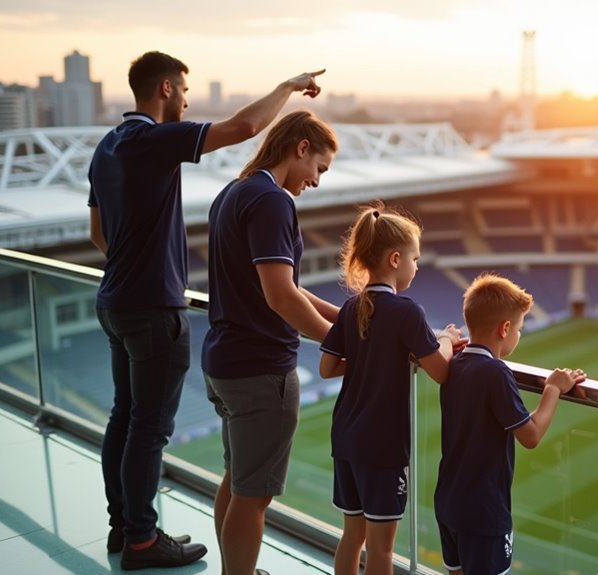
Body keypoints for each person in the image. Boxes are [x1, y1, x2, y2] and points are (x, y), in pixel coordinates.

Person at [87, 49, 325, 571]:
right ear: (165, 89)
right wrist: (289, 86)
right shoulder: (153, 139)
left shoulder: (106, 147)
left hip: (114, 301)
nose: (187, 101)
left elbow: (97, 233)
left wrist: (132, 265)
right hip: (153, 309)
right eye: (184, 91)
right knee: (149, 428)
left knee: (124, 417)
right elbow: (243, 127)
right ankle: (142, 539)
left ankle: (123, 527)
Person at [202, 109, 340, 575]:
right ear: (301, 148)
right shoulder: (273, 202)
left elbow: (289, 287)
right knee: (253, 495)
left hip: (224, 362)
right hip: (260, 370)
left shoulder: (234, 192)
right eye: (319, 167)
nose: (316, 181)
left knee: (237, 480)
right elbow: (281, 297)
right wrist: (343, 345)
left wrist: (344, 321)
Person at [319, 204, 466, 575]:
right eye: (415, 259)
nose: (417, 266)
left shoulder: (351, 307)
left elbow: (326, 368)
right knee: (382, 550)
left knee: (352, 536)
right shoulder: (407, 312)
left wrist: (370, 359)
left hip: (346, 437)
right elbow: (441, 372)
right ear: (395, 259)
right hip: (382, 447)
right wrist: (446, 339)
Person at [433, 273, 587, 575]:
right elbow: (530, 436)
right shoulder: (496, 373)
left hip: (448, 503)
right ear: (504, 329)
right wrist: (552, 388)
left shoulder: (455, 363)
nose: (518, 334)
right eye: (519, 329)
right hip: (484, 513)